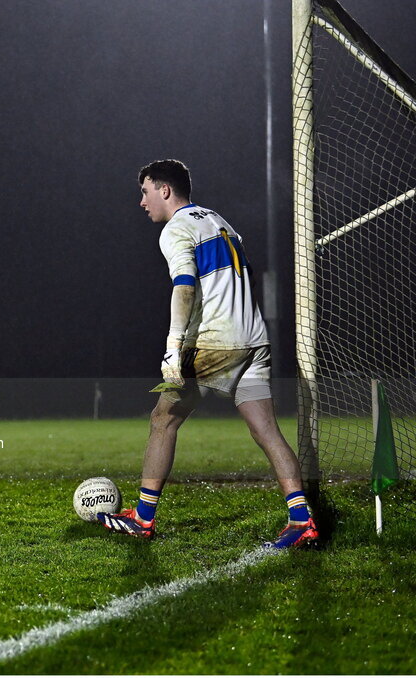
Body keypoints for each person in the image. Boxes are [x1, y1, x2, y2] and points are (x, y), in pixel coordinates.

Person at [96, 159, 318, 549]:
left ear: (165, 190)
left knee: (162, 420)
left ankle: (142, 519)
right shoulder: (220, 221)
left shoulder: (175, 229)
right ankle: (302, 521)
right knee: (266, 429)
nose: (142, 201)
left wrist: (172, 347)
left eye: (145, 191)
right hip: (254, 339)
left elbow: (184, 287)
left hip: (217, 342)